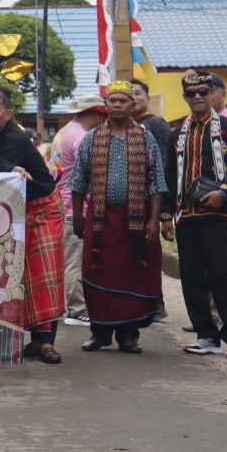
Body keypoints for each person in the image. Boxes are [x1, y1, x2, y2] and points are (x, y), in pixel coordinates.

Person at [68, 81, 167, 352]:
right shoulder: (91, 139)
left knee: (132, 274)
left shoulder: (147, 139)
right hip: (101, 222)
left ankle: (128, 335)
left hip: (135, 221)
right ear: (106, 105)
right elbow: (78, 181)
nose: (118, 105)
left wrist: (154, 220)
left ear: (133, 106)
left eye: (123, 101)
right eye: (112, 101)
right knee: (97, 274)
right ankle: (99, 333)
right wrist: (78, 216)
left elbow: (157, 183)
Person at [167, 72, 227, 357]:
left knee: (221, 273)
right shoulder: (176, 133)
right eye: (191, 93)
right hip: (186, 215)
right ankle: (205, 335)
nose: (198, 97)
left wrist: (224, 193)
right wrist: (167, 216)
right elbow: (169, 176)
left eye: (203, 91)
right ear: (185, 97)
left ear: (213, 93)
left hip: (218, 213)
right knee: (191, 276)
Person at [0, 85, 63, 362]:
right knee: (19, 277)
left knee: (43, 275)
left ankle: (47, 342)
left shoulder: (14, 137)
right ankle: (33, 341)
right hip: (16, 213)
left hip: (43, 209)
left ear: (8, 114)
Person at [53, 96, 105, 335]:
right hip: (75, 207)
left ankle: (74, 306)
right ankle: (77, 309)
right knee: (76, 259)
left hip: (61, 203)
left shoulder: (64, 131)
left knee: (69, 257)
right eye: (102, 117)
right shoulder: (82, 137)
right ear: (94, 115)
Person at [129, 81, 174, 158]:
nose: (133, 97)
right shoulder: (123, 126)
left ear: (148, 98)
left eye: (137, 93)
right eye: (129, 95)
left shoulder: (158, 123)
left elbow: (166, 156)